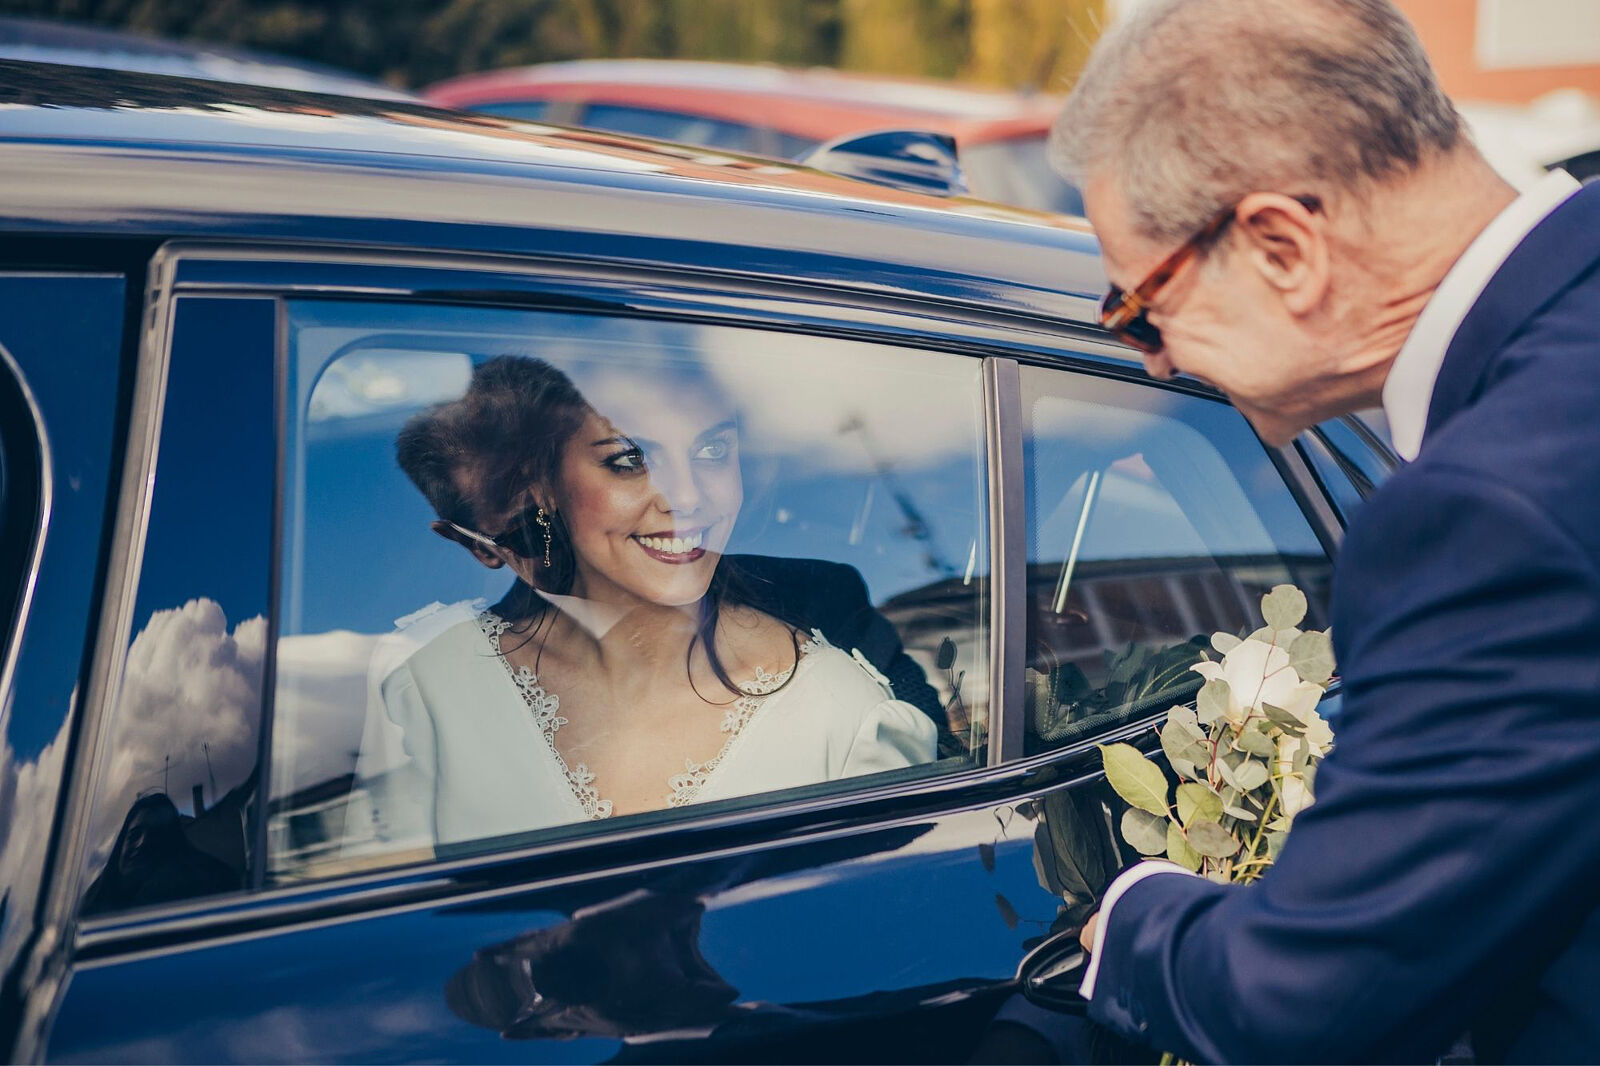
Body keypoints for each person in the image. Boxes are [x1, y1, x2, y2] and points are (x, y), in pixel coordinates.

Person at [1048, 0, 1600, 1061]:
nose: (1152, 361)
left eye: (1136, 306)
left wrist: (1135, 923)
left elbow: (1311, 1000)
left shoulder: (1483, 519)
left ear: (1280, 244)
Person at [357, 354, 936, 851]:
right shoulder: (429, 691)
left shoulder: (848, 715)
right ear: (542, 489)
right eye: (629, 459)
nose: (686, 497)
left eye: (713, 450)